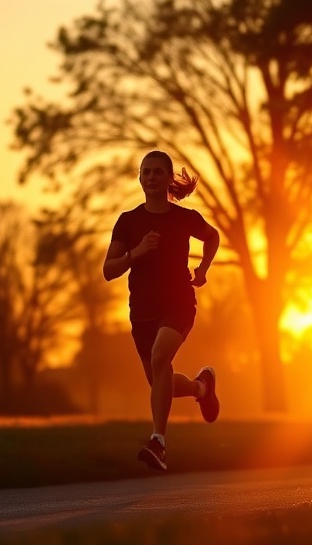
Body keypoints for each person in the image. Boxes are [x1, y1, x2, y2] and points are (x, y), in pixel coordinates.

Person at [103, 150, 221, 472]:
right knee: (160, 379)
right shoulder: (128, 222)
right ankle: (201, 388)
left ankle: (159, 442)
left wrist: (203, 268)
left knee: (159, 359)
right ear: (140, 179)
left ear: (169, 179)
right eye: (146, 172)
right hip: (141, 310)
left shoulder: (184, 218)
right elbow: (108, 270)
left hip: (179, 303)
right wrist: (136, 253)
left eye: (158, 172)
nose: (152, 177)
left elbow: (212, 237)